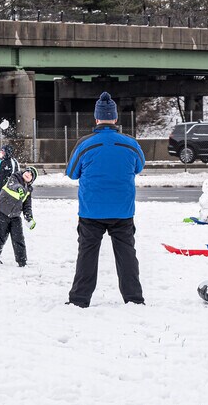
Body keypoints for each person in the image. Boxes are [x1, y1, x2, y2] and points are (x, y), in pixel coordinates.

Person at [65, 91, 145, 308]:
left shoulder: (85, 144)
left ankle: (80, 299)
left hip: (91, 211)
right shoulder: (130, 143)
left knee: (87, 255)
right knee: (127, 255)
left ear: (97, 118)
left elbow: (72, 172)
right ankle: (134, 298)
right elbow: (139, 167)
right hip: (123, 211)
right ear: (116, 119)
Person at [0, 167, 37, 267]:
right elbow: (13, 185)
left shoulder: (28, 190)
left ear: (32, 180)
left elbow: (27, 206)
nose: (28, 174)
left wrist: (29, 217)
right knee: (1, 236)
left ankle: (22, 261)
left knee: (18, 238)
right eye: (27, 172)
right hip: (2, 211)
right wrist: (19, 188)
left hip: (15, 215)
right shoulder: (14, 177)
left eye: (31, 175)